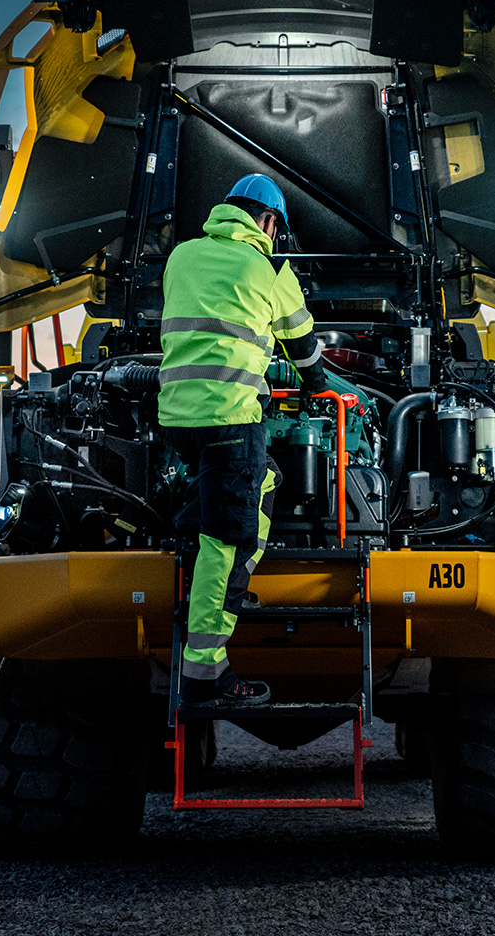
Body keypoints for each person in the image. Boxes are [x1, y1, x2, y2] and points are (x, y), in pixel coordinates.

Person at [159, 173, 330, 706]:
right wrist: (321, 388)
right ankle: (206, 674)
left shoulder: (182, 256)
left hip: (178, 417)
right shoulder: (271, 268)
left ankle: (216, 561)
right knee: (226, 541)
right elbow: (302, 349)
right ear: (269, 223)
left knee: (265, 481)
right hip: (231, 417)